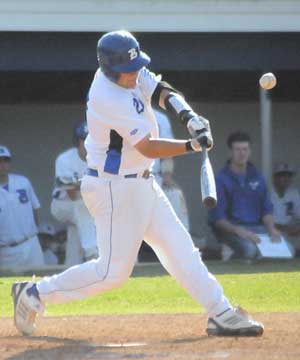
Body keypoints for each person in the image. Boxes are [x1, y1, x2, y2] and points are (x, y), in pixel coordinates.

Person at [12, 30, 263, 337]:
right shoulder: (107, 96)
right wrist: (191, 145)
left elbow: (160, 88)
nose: (133, 74)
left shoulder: (128, 68)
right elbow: (147, 147)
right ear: (109, 69)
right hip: (114, 187)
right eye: (127, 71)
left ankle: (221, 312)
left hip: (142, 183)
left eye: (135, 67)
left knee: (181, 249)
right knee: (111, 273)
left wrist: (189, 115)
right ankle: (33, 294)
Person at [209, 131, 281, 260]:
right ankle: (230, 263)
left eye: (245, 149)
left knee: (285, 250)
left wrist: (272, 229)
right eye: (237, 149)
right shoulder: (221, 179)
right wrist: (240, 231)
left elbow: (266, 210)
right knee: (250, 251)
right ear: (230, 152)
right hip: (232, 230)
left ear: (249, 151)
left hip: (258, 229)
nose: (242, 153)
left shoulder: (258, 177)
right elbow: (218, 219)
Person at [51, 121, 98, 265]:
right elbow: (72, 194)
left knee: (79, 228)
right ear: (77, 141)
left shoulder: (101, 159)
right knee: (82, 206)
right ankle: (91, 253)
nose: (88, 143)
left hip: (88, 207)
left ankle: (72, 267)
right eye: (84, 139)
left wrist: (81, 184)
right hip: (62, 205)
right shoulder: (65, 159)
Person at [0, 145, 44, 269]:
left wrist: (34, 234)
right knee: (11, 287)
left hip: (31, 243)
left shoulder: (23, 182)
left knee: (39, 283)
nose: (2, 164)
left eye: (6, 160)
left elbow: (35, 208)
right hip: (6, 250)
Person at [271, 162, 300, 256]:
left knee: (289, 250)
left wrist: (297, 229)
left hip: (287, 234)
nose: (286, 179)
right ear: (275, 178)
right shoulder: (267, 193)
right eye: (282, 175)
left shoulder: (294, 193)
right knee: (288, 251)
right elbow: (261, 220)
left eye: (289, 176)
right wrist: (285, 228)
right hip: (269, 233)